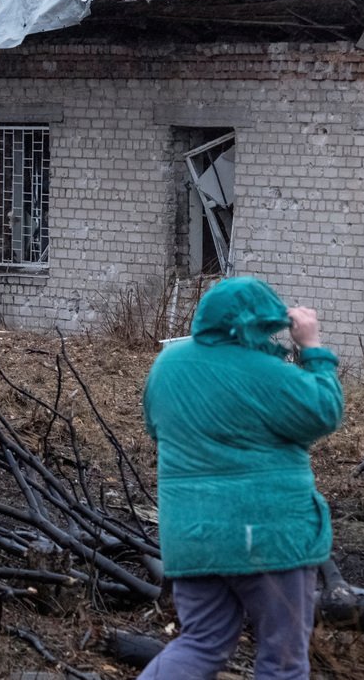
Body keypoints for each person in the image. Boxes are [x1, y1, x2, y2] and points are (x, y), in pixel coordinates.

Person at [139, 277, 344, 680]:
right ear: (259, 325)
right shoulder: (269, 374)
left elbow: (154, 426)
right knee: (282, 659)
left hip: (191, 537)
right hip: (267, 537)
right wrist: (313, 347)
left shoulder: (166, 366)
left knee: (200, 643)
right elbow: (325, 411)